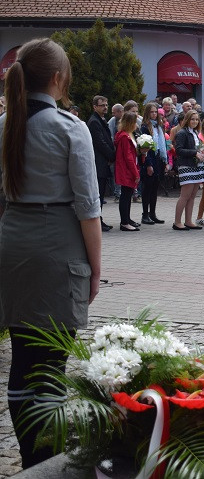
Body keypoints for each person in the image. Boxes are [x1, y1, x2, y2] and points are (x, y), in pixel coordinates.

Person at [0, 38, 101, 468]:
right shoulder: (70, 127)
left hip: (11, 239)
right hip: (57, 245)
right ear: (58, 79)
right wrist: (96, 268)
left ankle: (30, 456)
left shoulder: (5, 124)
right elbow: (88, 208)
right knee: (52, 362)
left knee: (23, 356)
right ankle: (46, 458)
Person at [172, 109, 204, 230]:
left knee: (192, 196)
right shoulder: (182, 133)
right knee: (185, 195)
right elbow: (178, 150)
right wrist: (195, 153)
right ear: (187, 120)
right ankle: (177, 222)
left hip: (196, 166)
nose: (195, 121)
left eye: (197, 119)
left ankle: (188, 221)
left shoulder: (196, 133)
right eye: (192, 119)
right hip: (186, 166)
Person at [86, 94, 114, 231]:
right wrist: (112, 155)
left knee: (101, 193)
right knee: (98, 194)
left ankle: (99, 219)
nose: (105, 108)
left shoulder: (101, 120)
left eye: (106, 105)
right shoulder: (94, 122)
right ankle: (97, 220)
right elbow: (100, 143)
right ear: (95, 106)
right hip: (99, 163)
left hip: (103, 162)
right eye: (102, 105)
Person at [139, 103, 167, 225]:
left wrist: (164, 160)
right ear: (147, 113)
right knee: (148, 188)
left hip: (158, 158)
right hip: (149, 159)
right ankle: (145, 214)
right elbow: (146, 148)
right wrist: (149, 164)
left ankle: (152, 213)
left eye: (156, 112)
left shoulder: (159, 126)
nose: (154, 114)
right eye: (152, 112)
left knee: (155, 187)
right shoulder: (145, 127)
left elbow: (162, 144)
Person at [114, 111, 141, 231]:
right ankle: (124, 222)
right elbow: (128, 156)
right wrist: (135, 172)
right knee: (125, 195)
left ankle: (127, 218)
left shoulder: (129, 134)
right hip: (127, 169)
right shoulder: (124, 137)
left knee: (128, 194)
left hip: (129, 168)